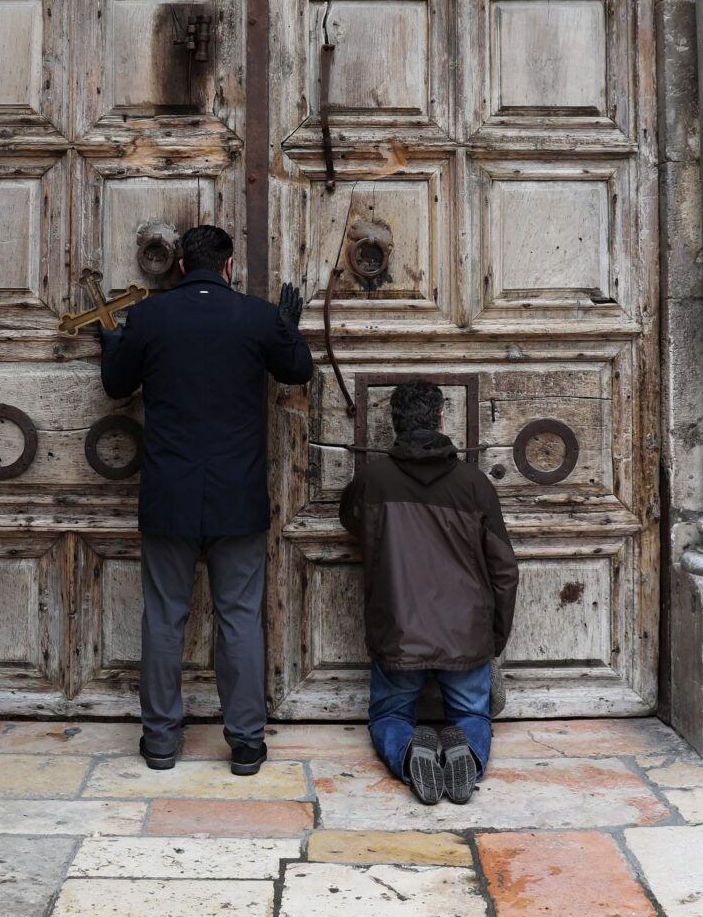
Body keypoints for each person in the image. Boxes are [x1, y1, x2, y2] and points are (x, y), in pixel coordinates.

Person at [98, 224, 311, 775]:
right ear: (229, 266)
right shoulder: (257, 316)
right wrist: (288, 326)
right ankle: (245, 743)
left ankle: (161, 741)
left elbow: (117, 386)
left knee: (165, 619)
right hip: (237, 498)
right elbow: (298, 370)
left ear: (178, 264)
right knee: (239, 618)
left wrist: (113, 341)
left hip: (169, 496)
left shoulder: (150, 317)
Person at [339, 379, 518, 805]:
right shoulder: (475, 485)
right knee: (472, 713)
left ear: (395, 424)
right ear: (441, 418)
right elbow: (504, 571)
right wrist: (494, 637)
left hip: (399, 630)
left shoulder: (372, 482)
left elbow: (352, 521)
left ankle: (409, 752)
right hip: (466, 632)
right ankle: (467, 755)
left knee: (390, 713)